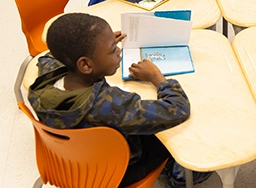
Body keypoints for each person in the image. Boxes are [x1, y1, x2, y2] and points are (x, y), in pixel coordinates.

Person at [27, 13, 212, 187]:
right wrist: (156, 77)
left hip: (71, 163)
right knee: (173, 134)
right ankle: (179, 177)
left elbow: (49, 56)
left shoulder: (47, 78)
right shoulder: (111, 105)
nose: (119, 50)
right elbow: (177, 108)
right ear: (85, 65)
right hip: (117, 171)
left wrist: (100, 47)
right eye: (112, 50)